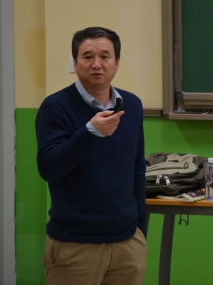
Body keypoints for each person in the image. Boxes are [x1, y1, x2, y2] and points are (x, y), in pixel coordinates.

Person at [36, 27, 147, 284]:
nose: (96, 64)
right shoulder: (55, 107)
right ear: (75, 63)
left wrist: (140, 229)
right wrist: (89, 133)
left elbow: (137, 169)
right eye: (87, 57)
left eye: (105, 56)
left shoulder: (132, 105)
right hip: (75, 245)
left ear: (117, 63)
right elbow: (48, 168)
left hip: (127, 245)